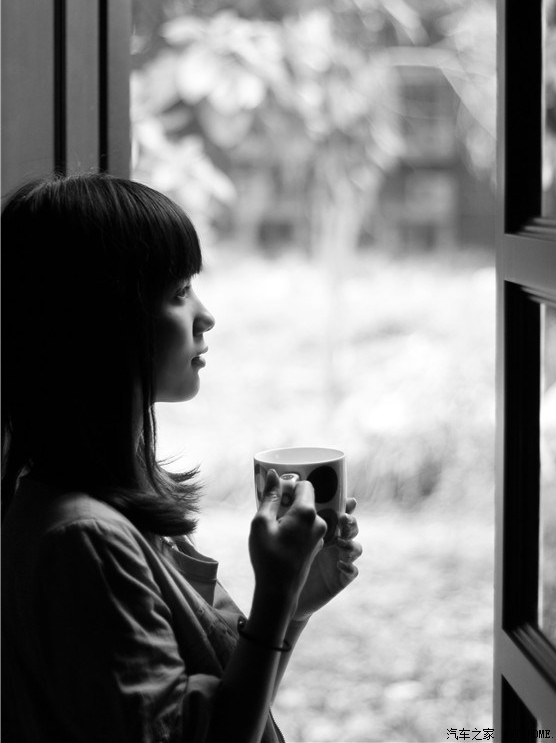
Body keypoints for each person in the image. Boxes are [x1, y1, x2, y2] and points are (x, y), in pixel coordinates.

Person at [1, 173, 362, 743]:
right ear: (101, 322)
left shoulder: (102, 509)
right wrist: (273, 596)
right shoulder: (84, 542)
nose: (205, 314)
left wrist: (293, 603)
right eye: (177, 292)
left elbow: (228, 714)